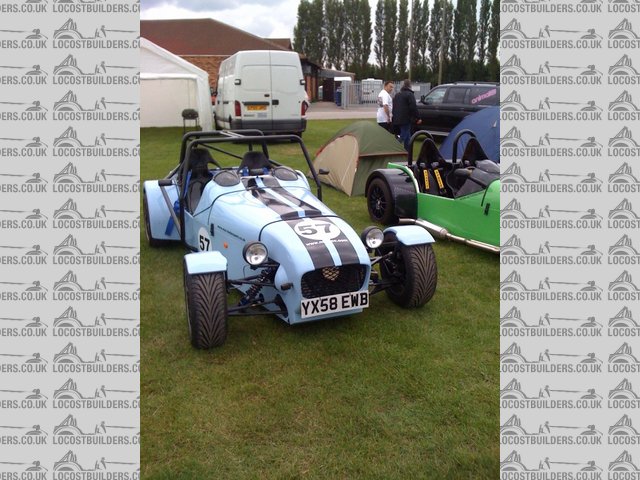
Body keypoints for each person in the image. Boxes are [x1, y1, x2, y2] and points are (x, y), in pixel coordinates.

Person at [392, 79, 421, 151]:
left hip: (397, 118)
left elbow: (394, 107)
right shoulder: (410, 94)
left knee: (408, 136)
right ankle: (392, 148)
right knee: (404, 136)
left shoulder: (397, 95)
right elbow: (413, 107)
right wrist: (418, 118)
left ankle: (407, 151)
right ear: (410, 86)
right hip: (406, 119)